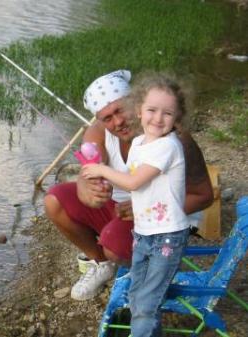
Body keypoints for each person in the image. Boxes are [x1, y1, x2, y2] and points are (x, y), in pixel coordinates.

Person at [44, 70, 213, 301]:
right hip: (123, 210)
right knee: (54, 200)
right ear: (100, 121)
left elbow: (204, 195)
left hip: (164, 218)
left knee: (113, 244)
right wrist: (87, 187)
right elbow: (90, 167)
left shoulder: (175, 138)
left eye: (120, 109)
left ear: (137, 103)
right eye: (107, 118)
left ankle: (146, 269)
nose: (118, 121)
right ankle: (101, 264)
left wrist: (147, 207)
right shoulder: (98, 133)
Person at [82, 73, 191, 336]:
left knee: (146, 303)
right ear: (139, 111)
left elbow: (132, 181)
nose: (158, 118)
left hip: (166, 237)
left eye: (167, 114)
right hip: (143, 233)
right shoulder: (141, 143)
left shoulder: (168, 146)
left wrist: (101, 170)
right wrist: (131, 202)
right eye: (152, 110)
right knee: (136, 292)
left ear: (176, 119)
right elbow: (146, 187)